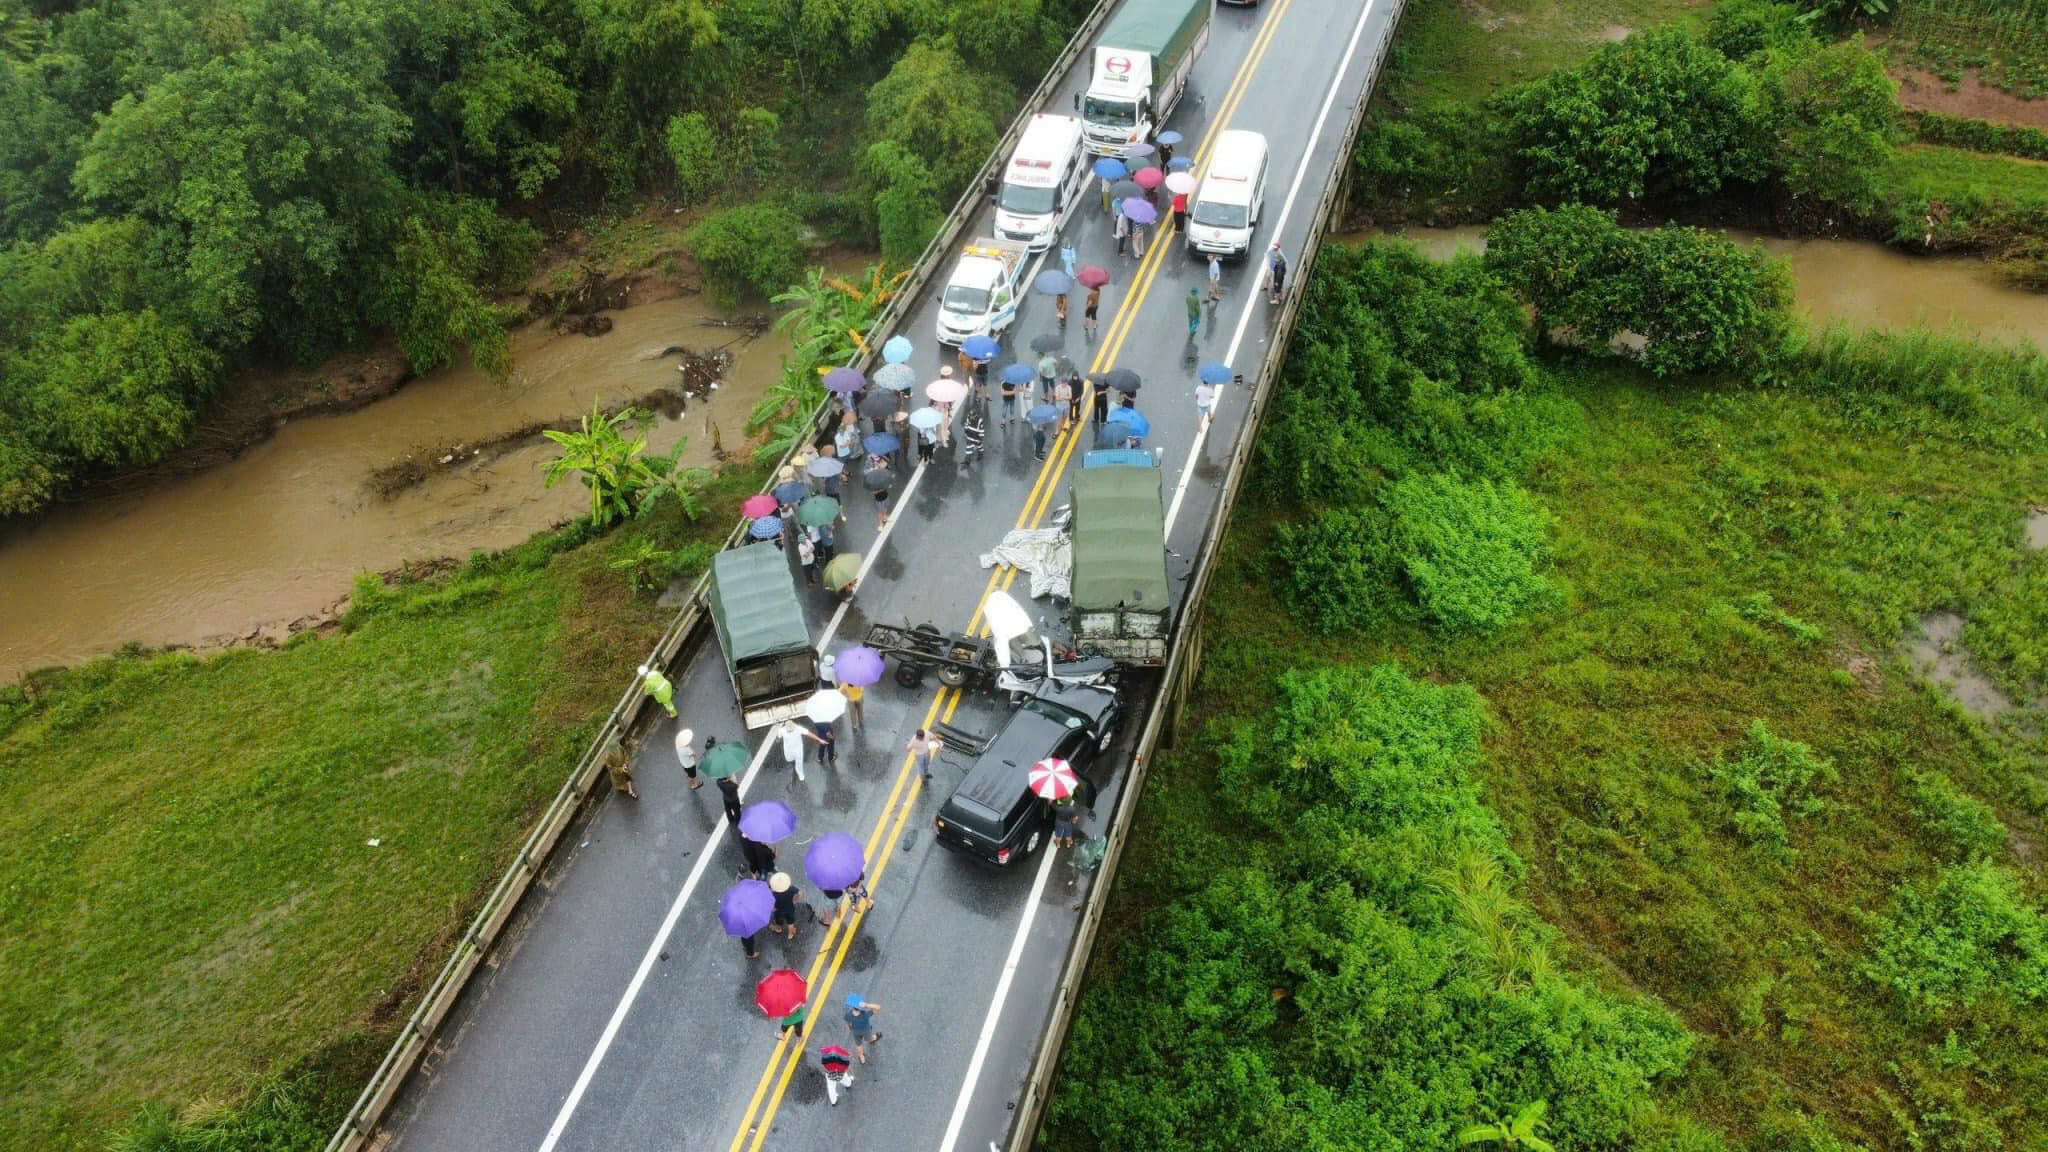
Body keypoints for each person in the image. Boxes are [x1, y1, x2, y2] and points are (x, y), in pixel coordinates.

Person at [779, 717, 823, 782]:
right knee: (789, 759)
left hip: (798, 749)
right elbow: (778, 737)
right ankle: (796, 767)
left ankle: (800, 773)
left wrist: (819, 739)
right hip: (788, 750)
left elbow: (808, 733)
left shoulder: (797, 728)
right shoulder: (782, 730)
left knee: (799, 762)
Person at [844, 994, 884, 1063]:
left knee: (858, 1044)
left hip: (856, 1032)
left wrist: (850, 1028)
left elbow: (848, 1024)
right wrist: (866, 1005)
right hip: (866, 1031)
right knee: (870, 1038)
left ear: (852, 1007)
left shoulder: (848, 1015)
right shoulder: (865, 1014)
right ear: (860, 1008)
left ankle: (862, 1057)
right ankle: (874, 1039)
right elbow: (878, 1007)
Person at [769, 872, 804, 940]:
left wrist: (772, 909)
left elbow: (772, 906)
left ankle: (778, 929)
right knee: (790, 921)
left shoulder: (773, 894)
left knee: (778, 921)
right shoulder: (791, 888)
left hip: (779, 911)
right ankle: (790, 934)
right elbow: (800, 893)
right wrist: (796, 900)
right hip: (790, 908)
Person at [675, 726, 701, 791]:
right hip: (690, 765)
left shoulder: (679, 747)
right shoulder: (686, 749)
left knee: (689, 774)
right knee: (693, 776)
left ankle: (690, 780)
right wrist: (691, 748)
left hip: (684, 764)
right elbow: (694, 755)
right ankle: (694, 785)